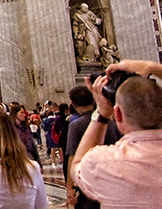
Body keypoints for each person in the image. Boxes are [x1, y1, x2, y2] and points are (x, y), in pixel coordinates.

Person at [70, 59, 162, 207]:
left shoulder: (104, 162)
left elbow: (76, 167)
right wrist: (152, 67)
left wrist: (101, 114)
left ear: (117, 114)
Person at [64, 84, 120, 209]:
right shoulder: (111, 123)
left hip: (87, 180)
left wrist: (69, 187)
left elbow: (72, 156)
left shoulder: (75, 125)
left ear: (73, 104)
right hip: (110, 178)